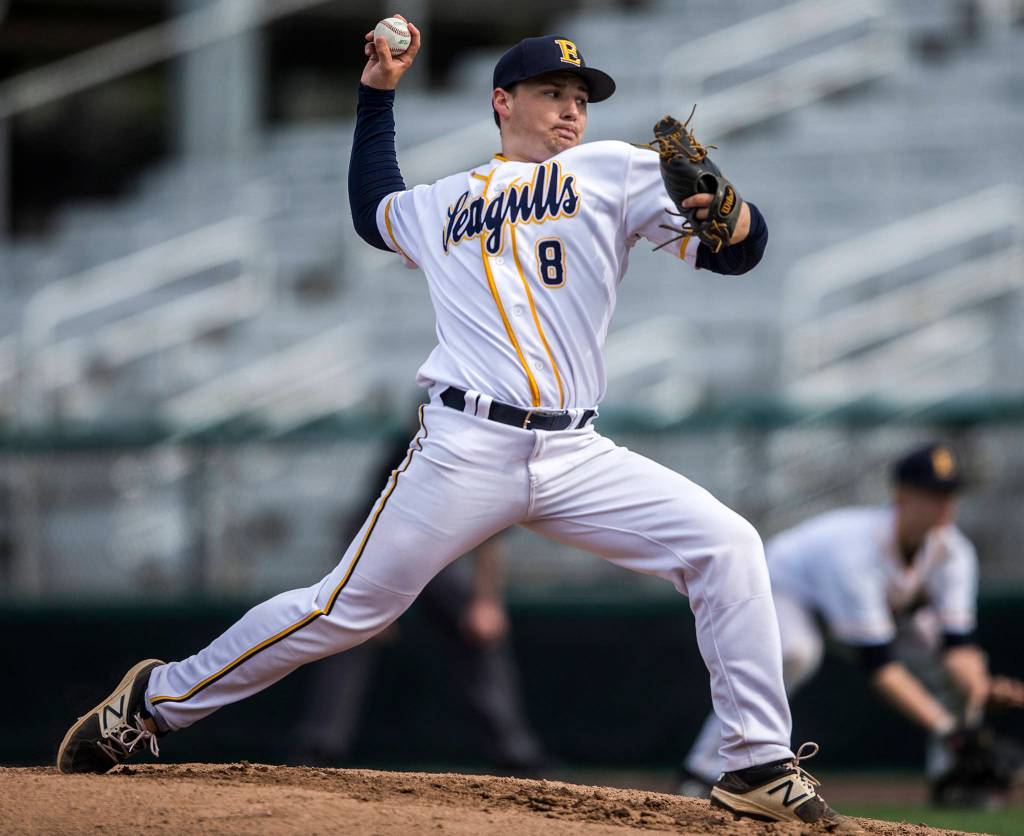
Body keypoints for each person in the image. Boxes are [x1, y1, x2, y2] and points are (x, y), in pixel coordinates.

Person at [57, 19, 855, 830]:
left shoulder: (617, 170)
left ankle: (755, 761)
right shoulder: (446, 201)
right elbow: (374, 211)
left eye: (581, 97)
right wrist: (377, 94)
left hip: (575, 450)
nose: (571, 110)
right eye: (552, 94)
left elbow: (734, 252)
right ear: (503, 102)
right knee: (344, 611)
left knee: (727, 545)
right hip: (465, 447)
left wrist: (735, 211)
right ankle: (152, 702)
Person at [678, 441, 1024, 803]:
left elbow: (959, 647)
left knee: (949, 670)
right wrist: (948, 729)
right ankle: (701, 772)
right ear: (903, 495)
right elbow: (879, 667)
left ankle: (954, 779)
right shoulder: (856, 551)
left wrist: (978, 692)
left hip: (875, 611)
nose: (945, 505)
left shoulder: (954, 552)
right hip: (788, 589)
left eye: (950, 494)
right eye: (933, 494)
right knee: (795, 652)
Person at [290, 423, 550, 775]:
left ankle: (515, 752)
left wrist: (486, 601)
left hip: (442, 556)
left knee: (480, 634)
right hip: (387, 547)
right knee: (347, 631)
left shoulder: (497, 444)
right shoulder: (420, 438)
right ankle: (318, 748)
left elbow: (489, 535)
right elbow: (367, 518)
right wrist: (360, 593)